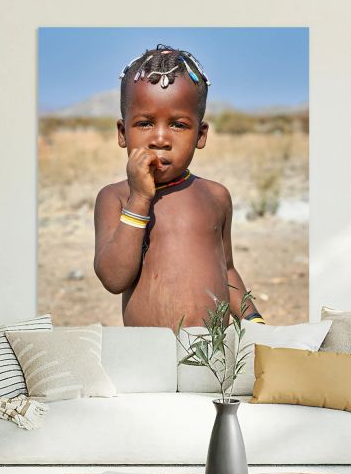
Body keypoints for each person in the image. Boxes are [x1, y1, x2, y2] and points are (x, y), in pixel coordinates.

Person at [93, 44, 263, 328]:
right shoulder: (116, 198)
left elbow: (228, 270)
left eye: (179, 125)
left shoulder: (215, 196)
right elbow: (113, 279)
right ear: (123, 133)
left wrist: (254, 321)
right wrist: (139, 199)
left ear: (201, 134)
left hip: (213, 356)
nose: (160, 138)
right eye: (145, 123)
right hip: (148, 357)